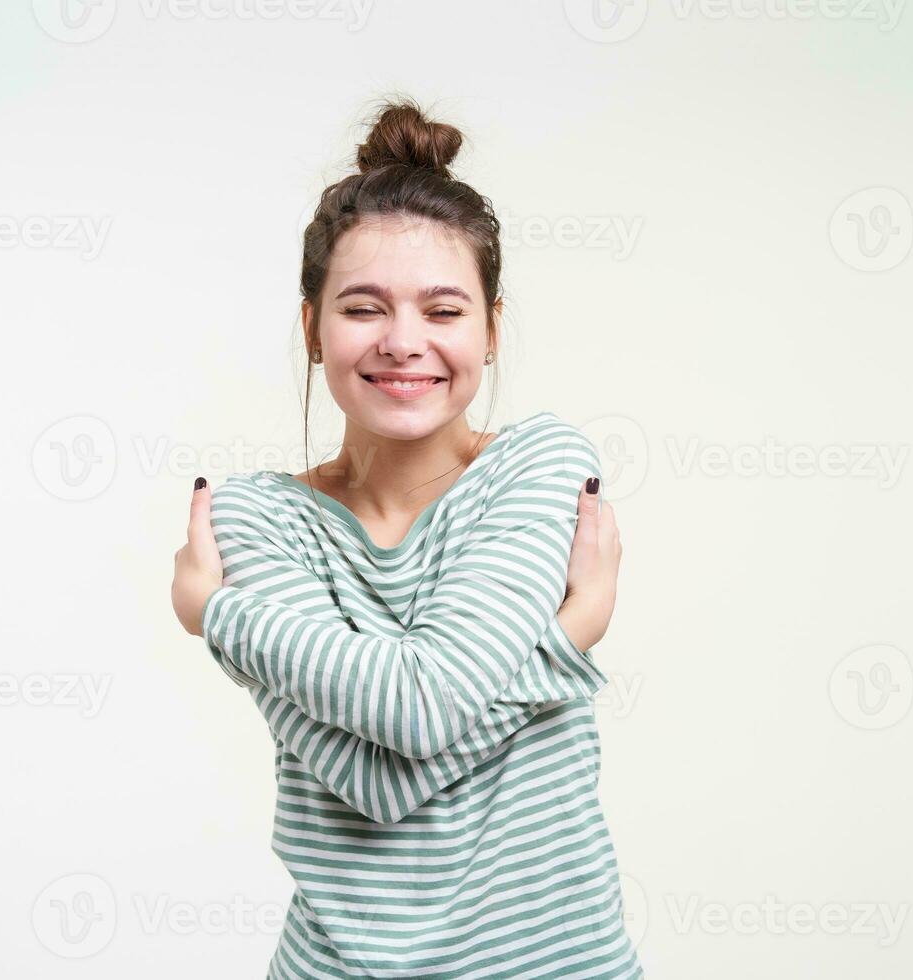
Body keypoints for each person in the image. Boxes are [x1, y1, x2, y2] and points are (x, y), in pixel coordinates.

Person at [172, 96, 641, 979]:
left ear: (492, 330)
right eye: (362, 308)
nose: (403, 343)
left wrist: (219, 618)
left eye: (443, 310)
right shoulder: (255, 520)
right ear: (311, 329)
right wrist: (567, 640)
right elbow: (385, 780)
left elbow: (416, 717)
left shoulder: (539, 466)